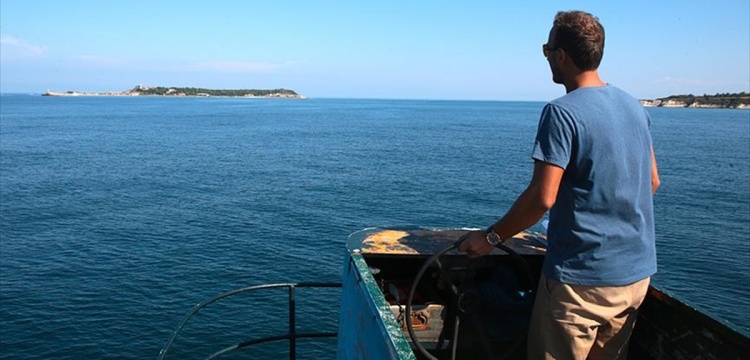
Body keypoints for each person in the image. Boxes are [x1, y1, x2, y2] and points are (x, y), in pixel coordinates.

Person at [458, 10, 660, 360]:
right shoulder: (633, 106)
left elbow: (542, 197)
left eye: (547, 49)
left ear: (561, 55)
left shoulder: (562, 112)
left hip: (582, 282)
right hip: (636, 276)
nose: (547, 56)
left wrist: (490, 239)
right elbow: (652, 182)